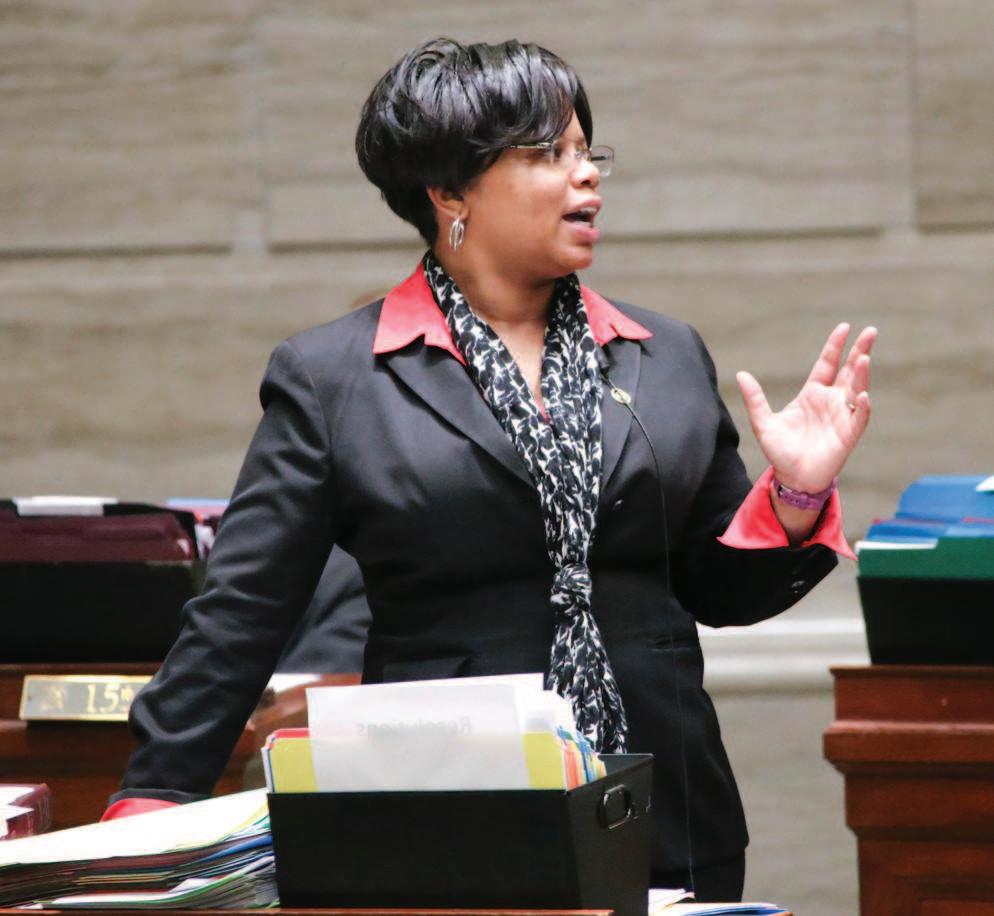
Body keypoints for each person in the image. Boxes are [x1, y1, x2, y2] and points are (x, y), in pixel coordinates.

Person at [104, 38, 875, 902]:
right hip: (442, 811)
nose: (587, 175)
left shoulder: (662, 354)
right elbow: (243, 611)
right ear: (450, 193)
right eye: (548, 153)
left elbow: (721, 589)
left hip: (663, 807)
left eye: (588, 150)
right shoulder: (335, 378)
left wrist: (798, 492)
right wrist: (153, 799)